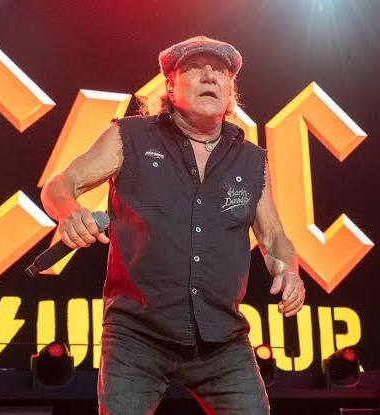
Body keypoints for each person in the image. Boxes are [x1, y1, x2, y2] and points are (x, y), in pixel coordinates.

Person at [40, 36, 305, 415]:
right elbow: (60, 185)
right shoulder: (129, 136)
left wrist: (290, 271)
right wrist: (68, 211)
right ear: (170, 85)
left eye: (220, 71)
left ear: (230, 89)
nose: (210, 76)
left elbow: (274, 236)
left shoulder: (250, 160)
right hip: (138, 336)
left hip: (222, 339)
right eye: (196, 68)